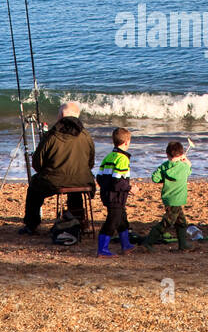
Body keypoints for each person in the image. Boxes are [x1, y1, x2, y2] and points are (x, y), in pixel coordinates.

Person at [20, 101, 96, 234]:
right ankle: (79, 221)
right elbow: (91, 163)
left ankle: (31, 225)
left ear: (61, 115)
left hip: (54, 181)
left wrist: (47, 171)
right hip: (83, 180)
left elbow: (37, 162)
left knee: (34, 187)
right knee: (75, 185)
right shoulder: (86, 135)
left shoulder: (52, 135)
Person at [144, 140, 191, 250]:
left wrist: (164, 177)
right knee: (167, 222)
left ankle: (183, 245)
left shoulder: (164, 166)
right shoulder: (184, 167)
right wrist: (186, 161)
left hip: (168, 199)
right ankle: (148, 242)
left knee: (181, 222)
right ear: (181, 154)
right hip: (177, 199)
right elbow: (189, 170)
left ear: (167, 154)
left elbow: (155, 178)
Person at [96, 127, 134, 257]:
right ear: (126, 142)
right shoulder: (123, 159)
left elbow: (99, 177)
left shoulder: (108, 157)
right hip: (116, 197)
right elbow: (118, 181)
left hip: (107, 194)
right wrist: (130, 188)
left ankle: (126, 245)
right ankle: (102, 249)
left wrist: (106, 188)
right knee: (112, 221)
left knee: (122, 219)